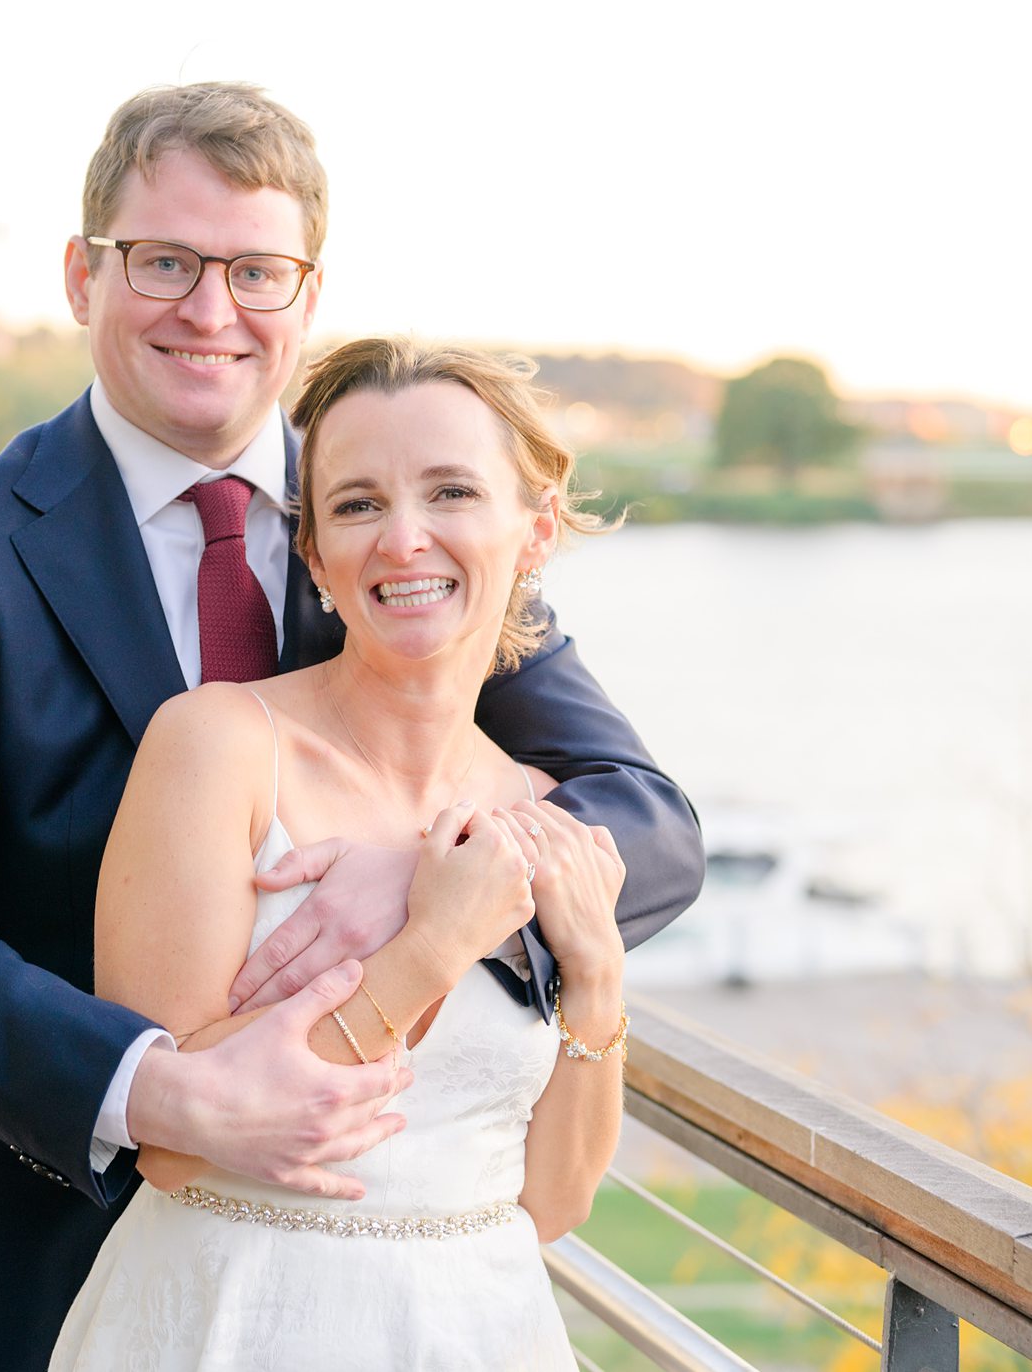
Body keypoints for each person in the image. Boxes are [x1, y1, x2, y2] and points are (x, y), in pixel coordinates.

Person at [0, 82, 701, 1372]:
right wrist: (162, 1090)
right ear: (83, 275)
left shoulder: (397, 520)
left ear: (307, 291)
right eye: (165, 261)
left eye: (256, 270)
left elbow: (647, 818)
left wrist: (429, 873)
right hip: (31, 1232)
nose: (211, 310)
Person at [51, 337, 627, 1370]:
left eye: (451, 491)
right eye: (358, 505)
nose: (404, 540)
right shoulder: (219, 746)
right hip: (232, 1321)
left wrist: (597, 983)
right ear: (314, 555)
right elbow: (175, 1148)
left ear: (533, 529)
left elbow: (553, 1201)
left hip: (480, 1330)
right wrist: (431, 945)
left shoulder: (544, 812)